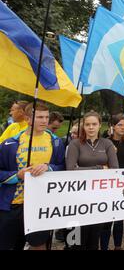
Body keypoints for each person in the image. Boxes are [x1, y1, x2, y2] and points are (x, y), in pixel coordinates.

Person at [0, 101, 65, 250]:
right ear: (28, 119)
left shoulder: (56, 142)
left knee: (39, 245)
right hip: (13, 204)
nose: (44, 120)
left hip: (41, 205)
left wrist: (49, 168)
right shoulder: (9, 144)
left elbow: (62, 167)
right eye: (40, 117)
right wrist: (17, 175)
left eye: (46, 117)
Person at [66, 111, 119, 250]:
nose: (91, 127)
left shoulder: (107, 143)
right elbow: (70, 170)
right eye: (87, 124)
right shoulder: (75, 144)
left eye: (94, 124)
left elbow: (114, 169)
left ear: (100, 125)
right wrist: (99, 168)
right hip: (77, 197)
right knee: (75, 241)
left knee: (94, 240)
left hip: (98, 197)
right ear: (83, 126)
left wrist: (83, 169)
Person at [100, 114, 124, 250]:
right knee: (106, 219)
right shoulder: (103, 142)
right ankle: (103, 246)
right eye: (119, 125)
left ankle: (117, 246)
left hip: (122, 185)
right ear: (113, 126)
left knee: (119, 218)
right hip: (106, 184)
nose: (123, 128)